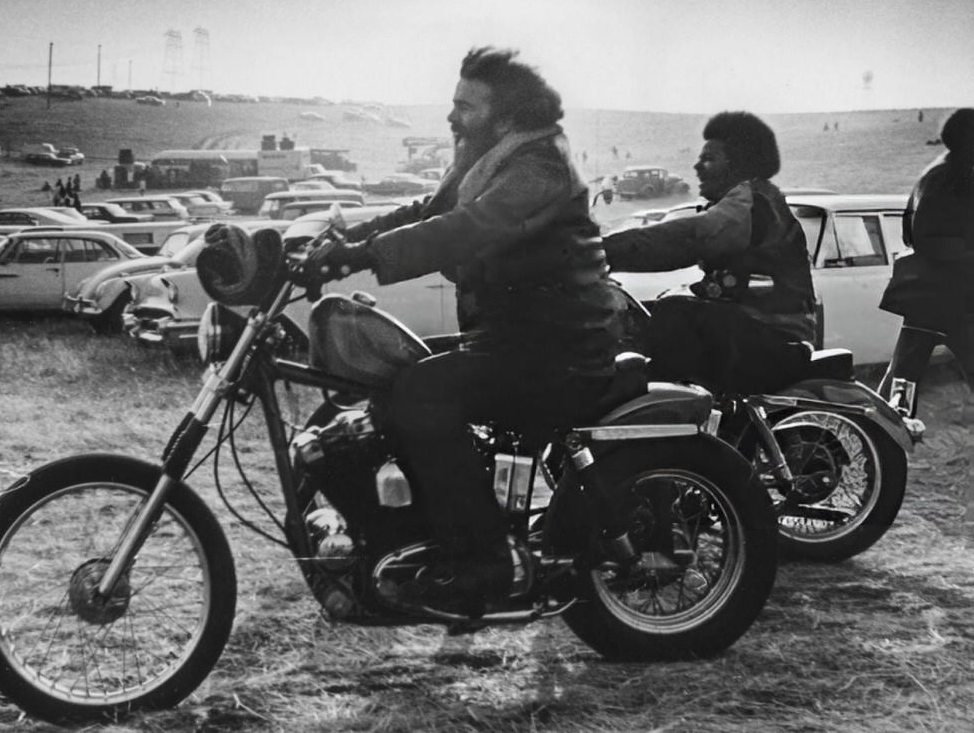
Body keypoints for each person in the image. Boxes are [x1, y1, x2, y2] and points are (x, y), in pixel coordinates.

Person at [296, 47, 634, 608]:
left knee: (422, 393)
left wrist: (363, 256)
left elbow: (467, 228)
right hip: (519, 336)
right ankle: (414, 533)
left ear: (505, 114)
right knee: (395, 376)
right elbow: (424, 213)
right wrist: (342, 244)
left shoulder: (540, 166)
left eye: (465, 107)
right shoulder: (492, 158)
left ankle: (484, 556)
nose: (452, 117)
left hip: (560, 345)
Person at [603, 111, 817, 393]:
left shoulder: (752, 203)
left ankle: (665, 417)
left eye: (709, 159)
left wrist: (601, 251)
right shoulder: (751, 200)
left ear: (739, 163)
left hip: (774, 335)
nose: (697, 166)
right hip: (756, 330)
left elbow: (690, 238)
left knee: (673, 313)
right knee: (638, 317)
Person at [878, 108, 974, 400]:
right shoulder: (946, 178)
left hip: (931, 297)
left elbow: (913, 234)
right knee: (902, 380)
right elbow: (928, 238)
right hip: (952, 295)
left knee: (902, 381)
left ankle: (882, 437)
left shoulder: (943, 173)